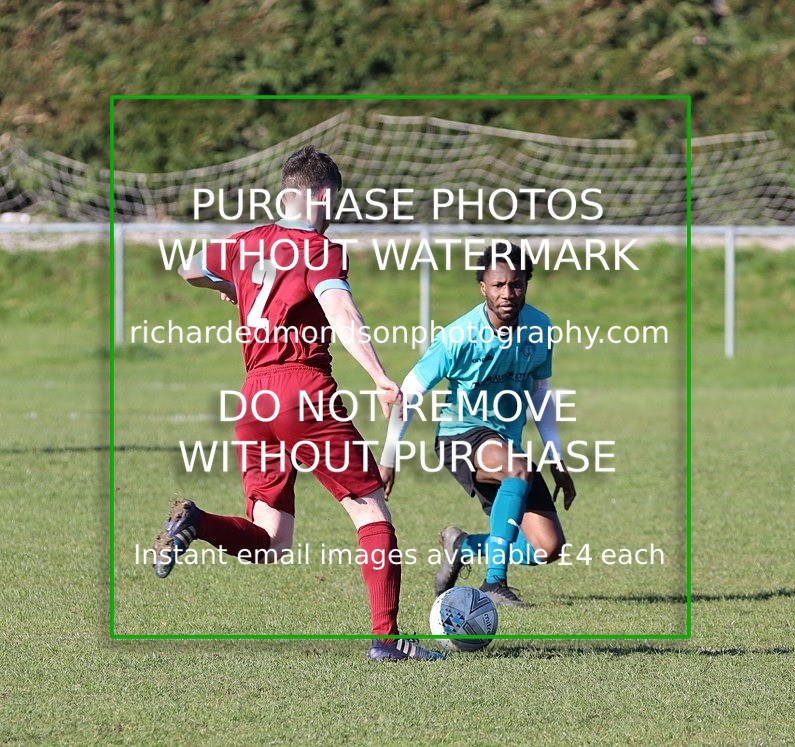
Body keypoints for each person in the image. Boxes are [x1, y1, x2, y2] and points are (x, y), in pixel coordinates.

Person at [152, 145, 442, 662]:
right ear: (324, 195)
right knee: (370, 510)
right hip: (303, 390)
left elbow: (188, 269)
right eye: (336, 202)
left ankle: (197, 521)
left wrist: (230, 286)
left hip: (254, 397)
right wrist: (380, 376)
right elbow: (343, 313)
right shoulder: (319, 250)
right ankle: (387, 641)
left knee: (271, 541)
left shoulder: (245, 242)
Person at [379, 243, 576, 607]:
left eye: (516, 284)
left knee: (547, 547)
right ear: (483, 287)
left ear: (526, 284)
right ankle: (494, 583)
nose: (507, 293)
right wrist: (389, 458)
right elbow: (410, 392)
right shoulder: (459, 336)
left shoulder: (540, 327)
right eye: (498, 285)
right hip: (461, 435)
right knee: (517, 469)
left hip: (506, 444)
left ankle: (464, 546)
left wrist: (556, 457)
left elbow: (540, 393)